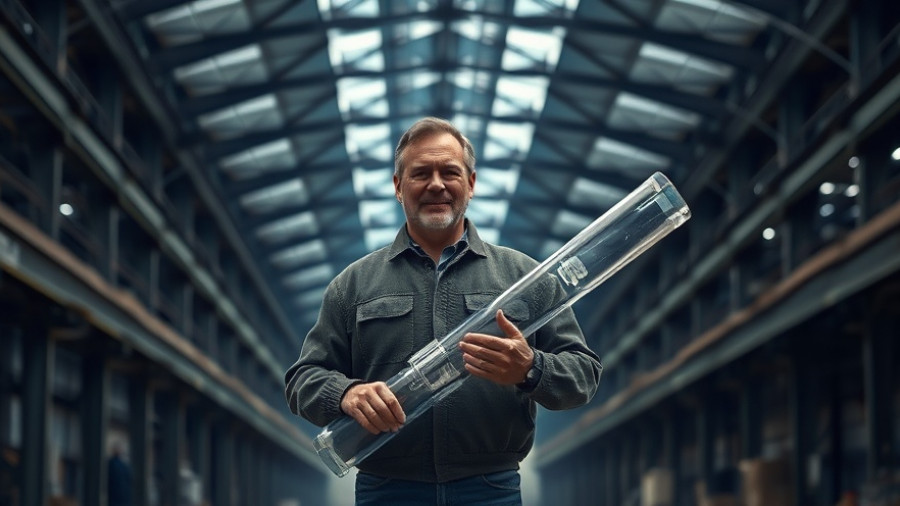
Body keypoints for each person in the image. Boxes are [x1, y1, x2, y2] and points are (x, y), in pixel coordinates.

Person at [285, 117, 602, 505]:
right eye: (420, 173)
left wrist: (531, 368)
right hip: (386, 490)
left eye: (449, 172)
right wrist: (346, 394)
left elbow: (584, 375)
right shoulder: (352, 285)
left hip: (490, 491)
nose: (436, 184)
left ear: (470, 184)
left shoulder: (526, 277)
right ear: (398, 187)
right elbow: (302, 379)